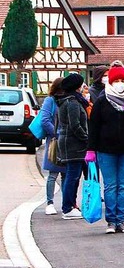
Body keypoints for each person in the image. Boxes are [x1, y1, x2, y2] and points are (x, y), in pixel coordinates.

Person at [87, 64, 124, 234]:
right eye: (116, 80)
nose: (120, 83)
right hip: (106, 150)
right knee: (111, 186)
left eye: (123, 80)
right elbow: (94, 126)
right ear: (110, 82)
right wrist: (91, 149)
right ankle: (111, 221)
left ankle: (122, 219)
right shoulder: (102, 100)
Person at [56, 73, 90, 220]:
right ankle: (68, 207)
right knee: (72, 176)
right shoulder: (73, 103)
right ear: (77, 86)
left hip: (67, 141)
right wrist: (86, 138)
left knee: (72, 175)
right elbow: (75, 125)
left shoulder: (67, 101)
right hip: (74, 144)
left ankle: (69, 206)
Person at [42, 77, 65, 215]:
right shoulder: (50, 100)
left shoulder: (67, 99)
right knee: (53, 173)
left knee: (66, 174)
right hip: (55, 141)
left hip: (66, 140)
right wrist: (57, 134)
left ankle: (66, 203)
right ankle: (50, 203)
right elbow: (45, 120)